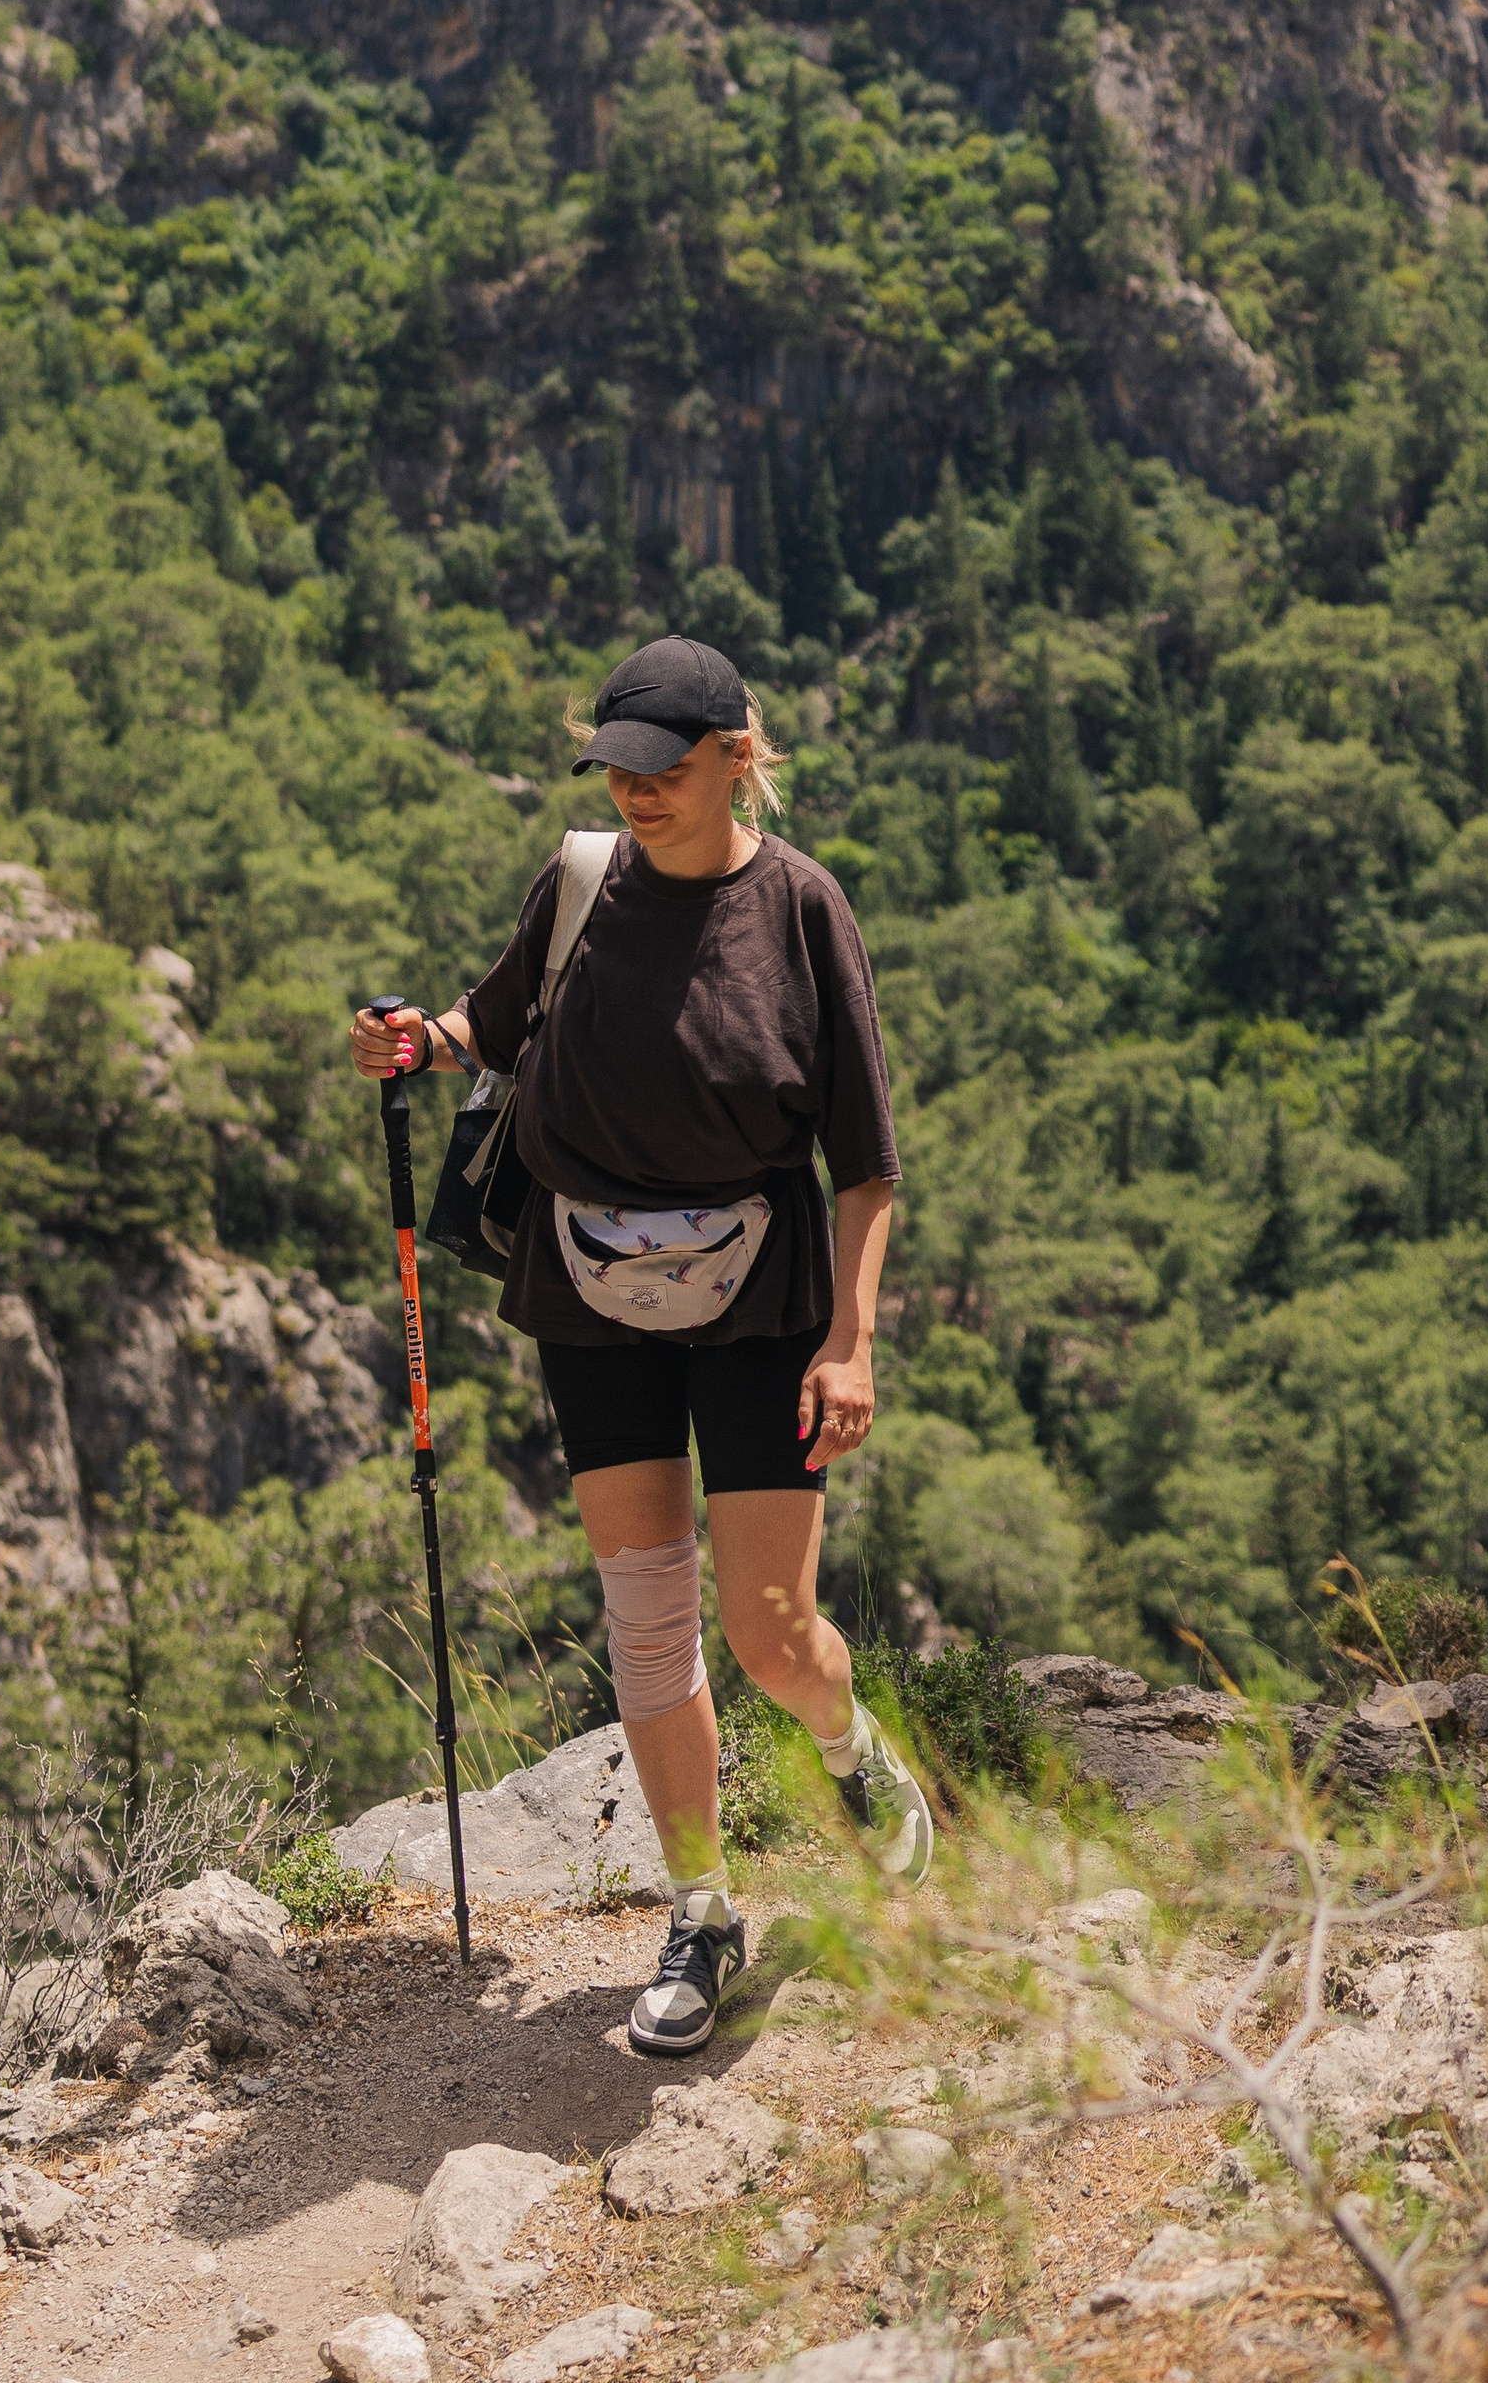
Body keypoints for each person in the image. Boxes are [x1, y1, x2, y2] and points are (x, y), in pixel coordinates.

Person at [351, 633, 932, 2057]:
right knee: (649, 1619)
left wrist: (849, 1348)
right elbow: (487, 1029)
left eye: (663, 771)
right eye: (616, 770)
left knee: (771, 1632)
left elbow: (866, 1168)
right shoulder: (580, 882)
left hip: (762, 1301)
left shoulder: (802, 910)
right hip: (588, 1293)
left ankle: (855, 1758)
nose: (636, 795)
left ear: (740, 759)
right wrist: (411, 1044)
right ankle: (704, 1907)